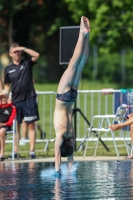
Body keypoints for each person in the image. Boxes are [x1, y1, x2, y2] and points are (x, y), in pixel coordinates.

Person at [53, 16, 90, 174]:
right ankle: (82, 34)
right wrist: (57, 171)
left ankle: (87, 36)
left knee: (81, 64)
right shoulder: (60, 134)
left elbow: (70, 158)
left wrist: (69, 171)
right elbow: (57, 156)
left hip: (72, 96)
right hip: (62, 98)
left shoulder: (71, 135)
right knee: (74, 63)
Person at [4, 43, 40, 159]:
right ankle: (15, 152)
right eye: (14, 52)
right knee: (16, 127)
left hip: (29, 97)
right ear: (10, 54)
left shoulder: (27, 62)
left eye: (18, 52)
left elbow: (36, 55)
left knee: (31, 125)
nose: (17, 54)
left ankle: (32, 151)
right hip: (16, 100)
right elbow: (7, 86)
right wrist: (7, 96)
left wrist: (23, 48)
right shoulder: (7, 69)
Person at [0, 90, 16, 161]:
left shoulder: (12, 107)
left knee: (2, 131)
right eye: (1, 97)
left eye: (5, 97)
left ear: (8, 98)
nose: (3, 99)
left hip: (5, 126)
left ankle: (2, 153)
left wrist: (3, 124)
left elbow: (11, 120)